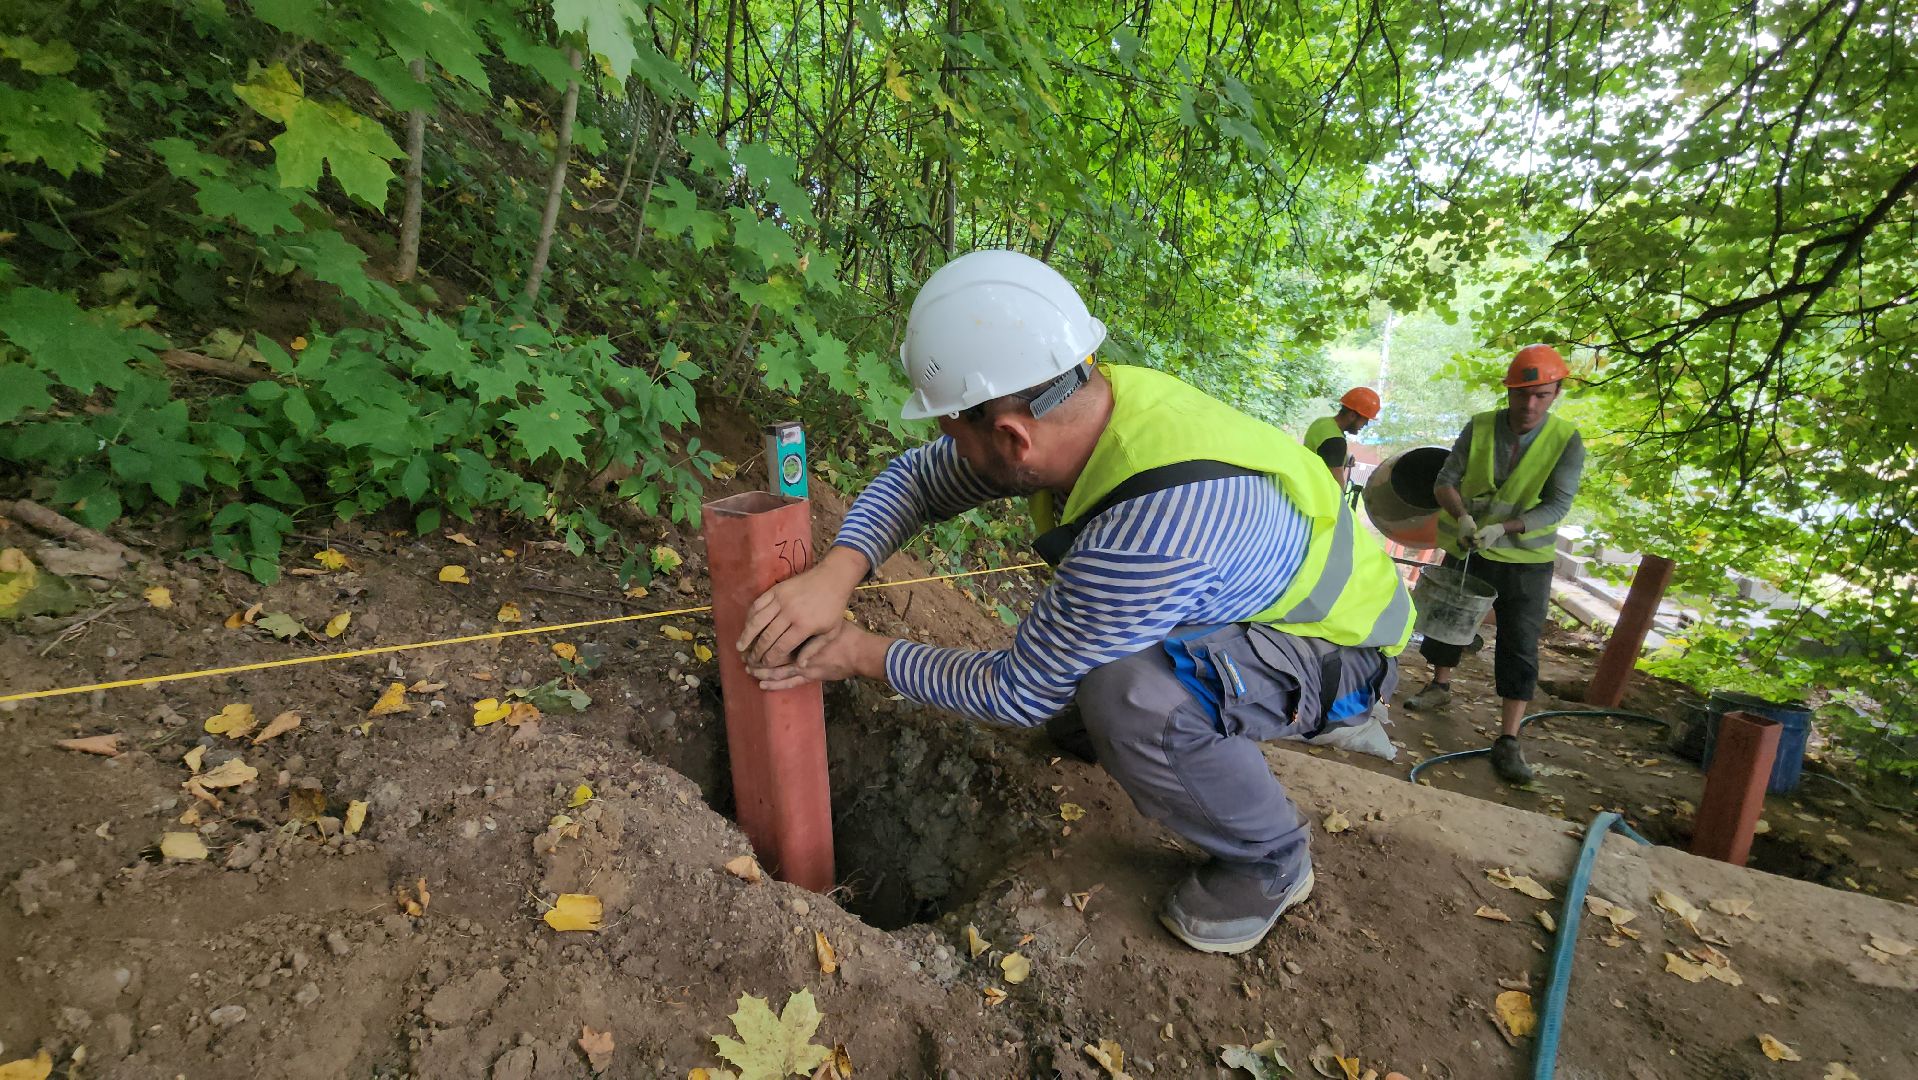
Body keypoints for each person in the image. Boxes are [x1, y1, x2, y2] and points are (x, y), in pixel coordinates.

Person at [734, 250, 1414, 956]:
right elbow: (918, 482)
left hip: (1336, 647)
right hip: (1237, 596)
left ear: (1009, 437)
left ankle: (1271, 859)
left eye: (949, 433)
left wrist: (859, 653)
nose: (944, 449)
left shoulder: (1156, 521)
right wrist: (835, 574)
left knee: (1130, 698)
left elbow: (1015, 691)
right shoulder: (1080, 405)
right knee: (1091, 683)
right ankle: (1106, 719)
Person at [1403, 345, 1586, 785]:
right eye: (1522, 394)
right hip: (1471, 548)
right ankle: (1440, 686)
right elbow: (1445, 481)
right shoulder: (1481, 426)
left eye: (1541, 395)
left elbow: (1558, 504)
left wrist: (1506, 528)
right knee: (1448, 621)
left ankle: (1508, 738)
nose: (1529, 404)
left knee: (1520, 641)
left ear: (1557, 392)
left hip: (1527, 561)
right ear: (1509, 391)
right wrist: (1463, 517)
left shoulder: (1566, 440)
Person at [1302, 388, 1381, 485]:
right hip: (1315, 494)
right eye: (1365, 420)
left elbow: (1324, 450)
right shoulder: (1336, 441)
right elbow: (1337, 485)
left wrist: (1345, 456)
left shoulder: (1322, 422)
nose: (1365, 425)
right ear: (1352, 415)